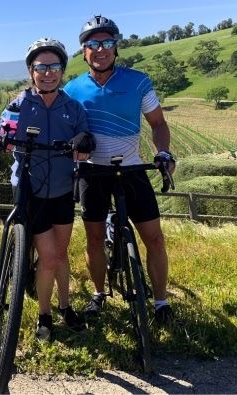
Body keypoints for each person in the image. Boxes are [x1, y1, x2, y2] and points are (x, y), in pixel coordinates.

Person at [0, 38, 96, 340]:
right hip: (30, 189)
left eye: (54, 67)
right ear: (31, 71)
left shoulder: (73, 108)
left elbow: (86, 141)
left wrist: (86, 143)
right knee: (51, 257)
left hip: (63, 190)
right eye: (41, 67)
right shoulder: (18, 105)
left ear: (62, 71)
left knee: (61, 255)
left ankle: (65, 306)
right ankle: (45, 314)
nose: (48, 73)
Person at [64, 16, 176, 325]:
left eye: (107, 43)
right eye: (93, 44)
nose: (100, 50)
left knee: (154, 238)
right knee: (94, 238)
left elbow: (158, 124)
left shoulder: (138, 81)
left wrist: (163, 153)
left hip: (131, 169)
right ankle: (99, 294)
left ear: (117, 47)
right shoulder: (73, 89)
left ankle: (161, 301)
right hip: (91, 172)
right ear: (83, 51)